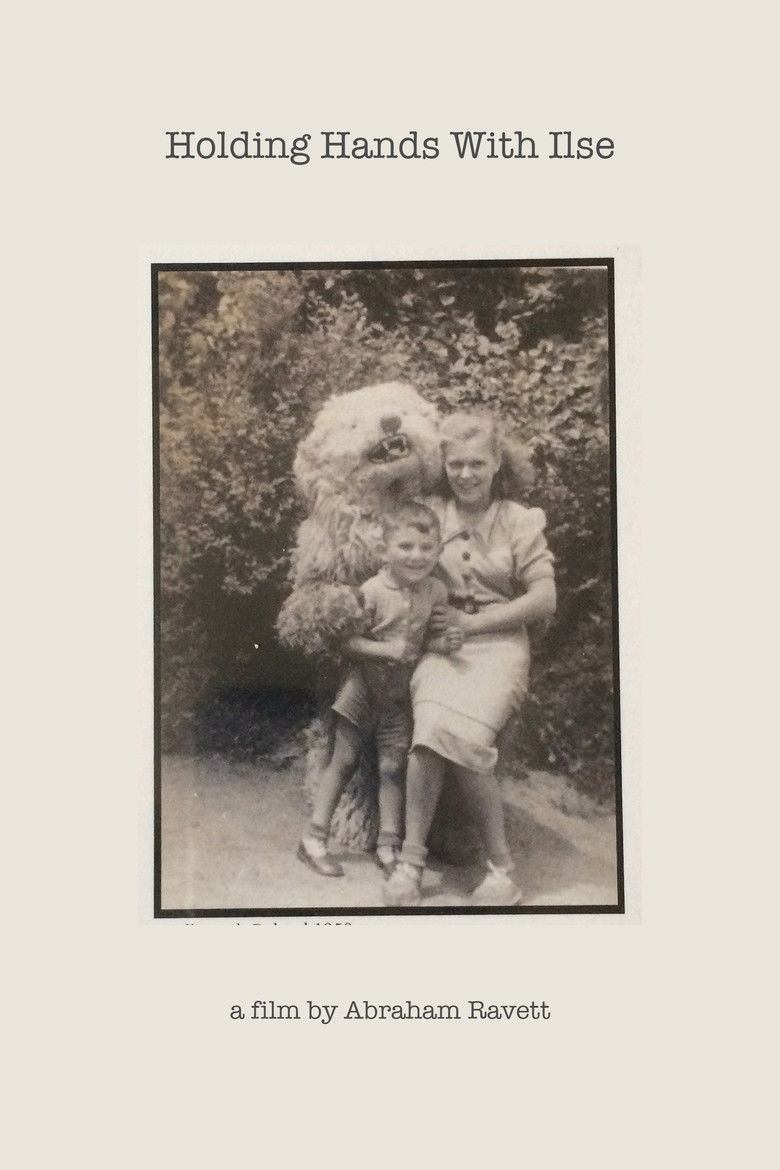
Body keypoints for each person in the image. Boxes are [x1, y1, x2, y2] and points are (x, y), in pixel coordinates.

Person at [382, 413, 557, 907]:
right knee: (430, 731)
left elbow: (545, 598)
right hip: (442, 646)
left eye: (476, 463)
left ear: (497, 462)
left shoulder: (519, 520)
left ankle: (501, 870)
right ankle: (411, 863)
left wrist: (473, 625)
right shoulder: (430, 514)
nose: (465, 474)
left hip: (500, 648)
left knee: (468, 737)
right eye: (455, 464)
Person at [296, 501, 464, 878]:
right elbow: (346, 643)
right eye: (405, 546)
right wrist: (385, 650)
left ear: (438, 550)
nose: (416, 556)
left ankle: (388, 846)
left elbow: (425, 644)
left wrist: (445, 643)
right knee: (344, 760)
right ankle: (313, 839)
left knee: (392, 768)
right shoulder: (371, 591)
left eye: (426, 547)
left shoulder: (436, 592)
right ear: (385, 550)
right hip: (362, 687)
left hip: (400, 696)